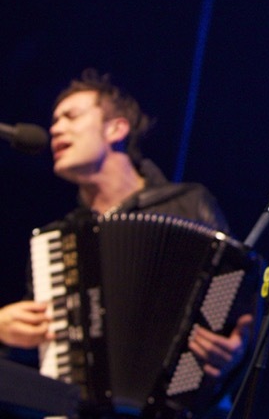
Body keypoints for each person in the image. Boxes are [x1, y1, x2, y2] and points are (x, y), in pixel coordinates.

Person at [0, 71, 254, 405]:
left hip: (181, 402)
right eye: (54, 120)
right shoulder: (58, 241)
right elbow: (47, 357)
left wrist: (237, 344)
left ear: (116, 129)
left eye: (71, 117)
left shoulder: (188, 202)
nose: (55, 128)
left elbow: (234, 292)